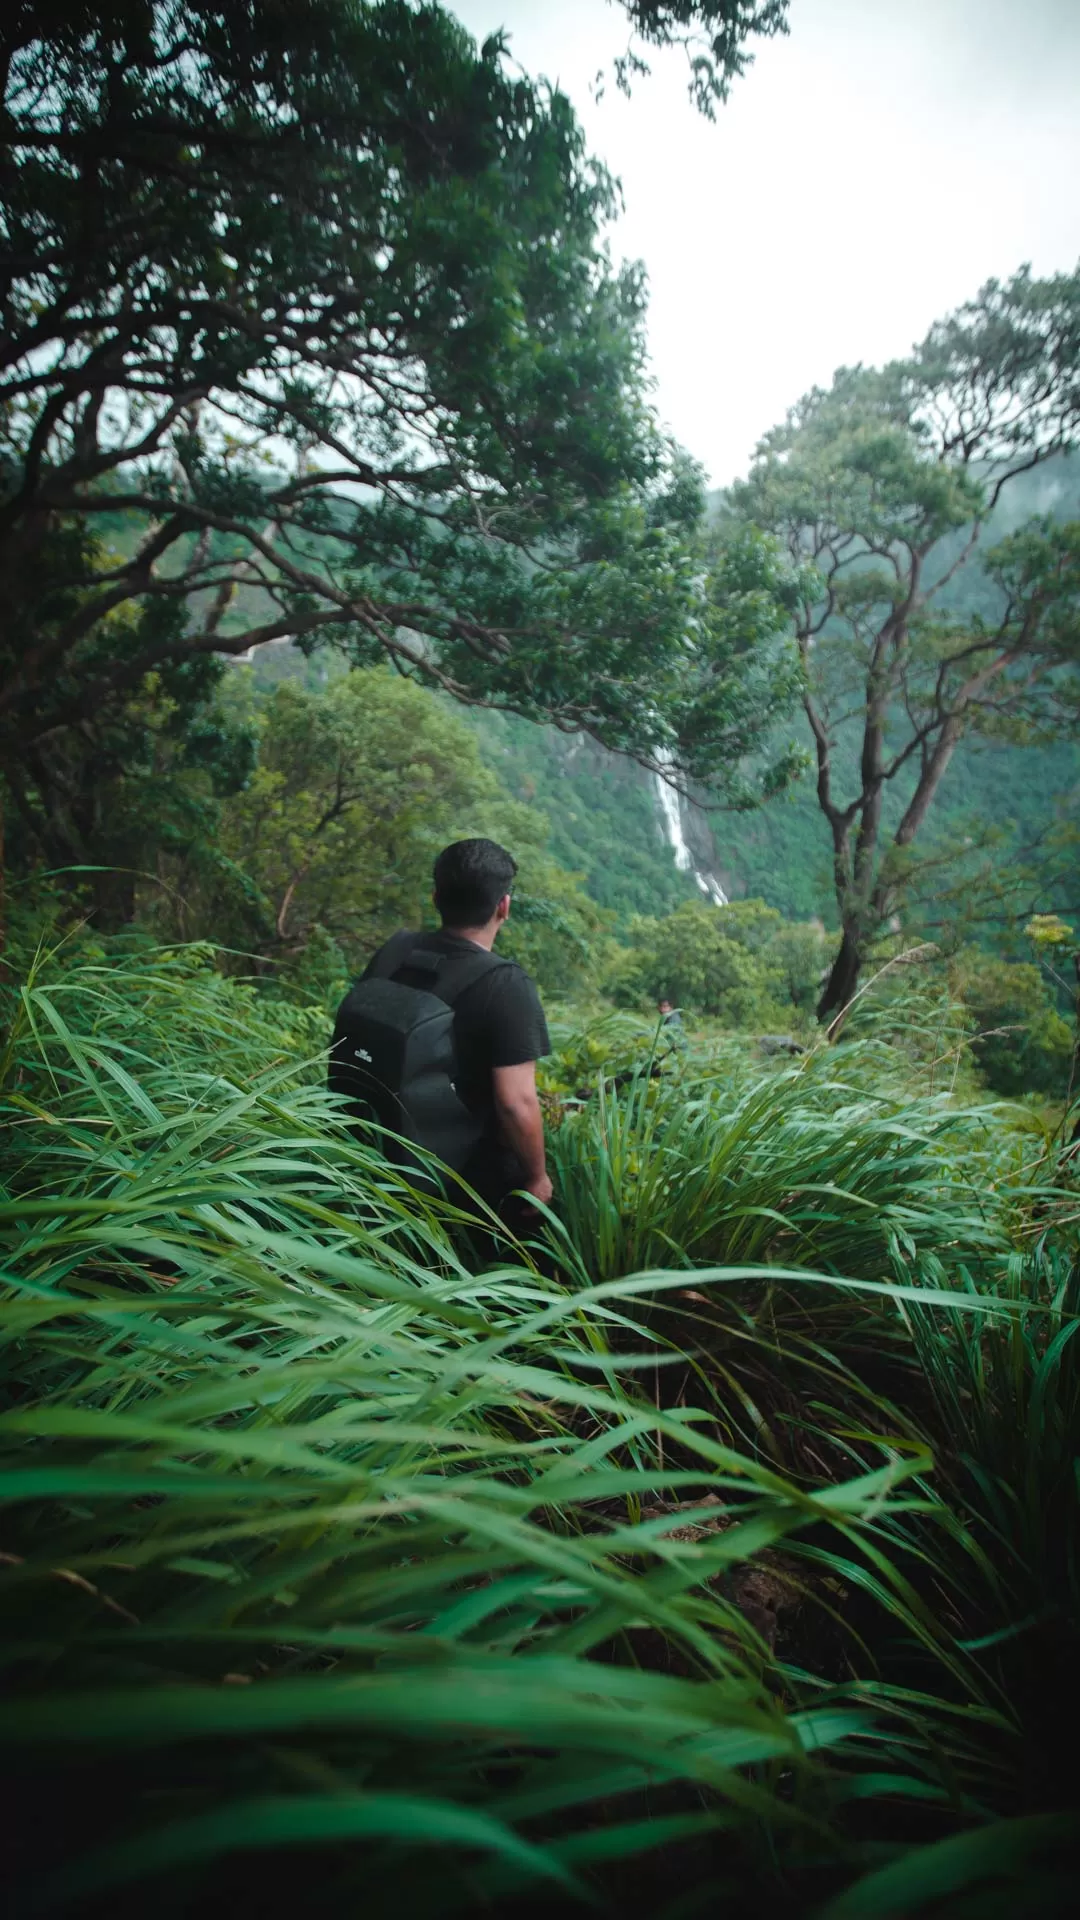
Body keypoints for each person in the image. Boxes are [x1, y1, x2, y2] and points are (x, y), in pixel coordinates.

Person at [332, 838, 552, 1235]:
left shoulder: (394, 950)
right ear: (504, 906)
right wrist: (537, 1177)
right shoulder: (506, 985)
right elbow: (516, 1103)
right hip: (455, 1179)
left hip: (369, 1145)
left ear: (436, 897)